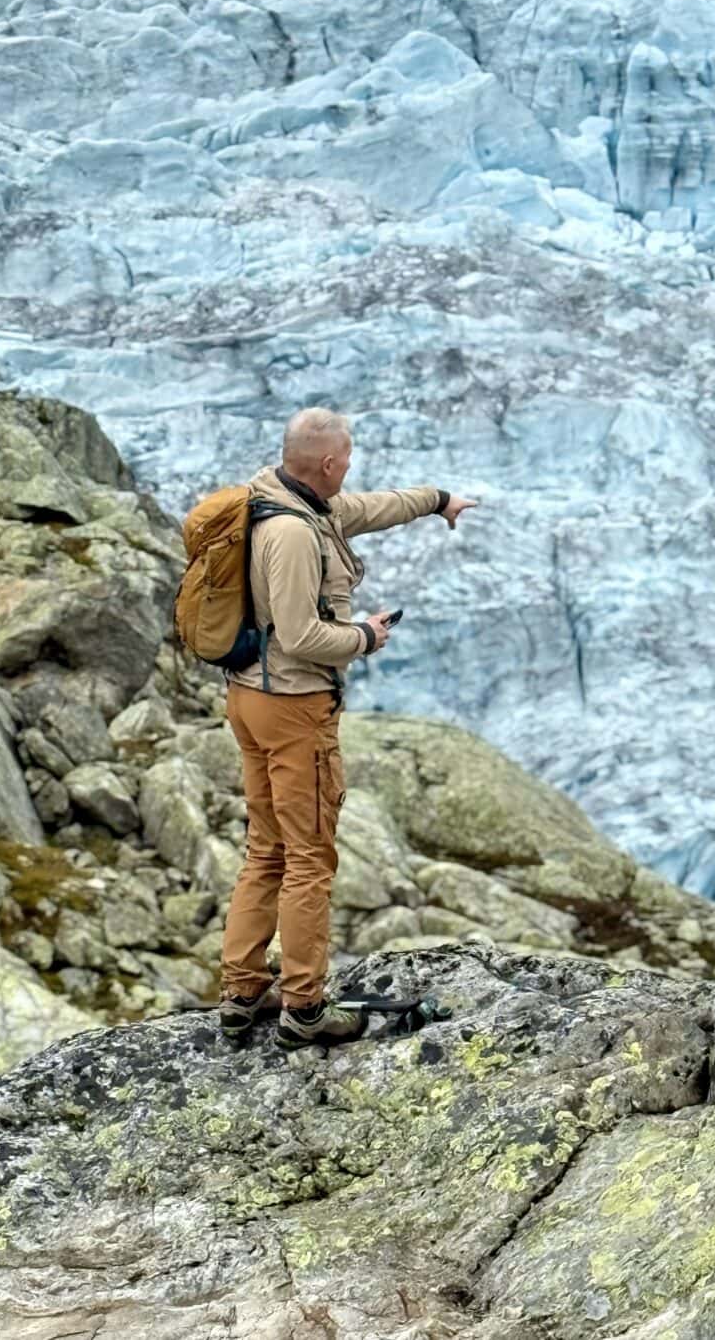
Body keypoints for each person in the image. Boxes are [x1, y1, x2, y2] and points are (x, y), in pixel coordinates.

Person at [217, 407, 478, 1049]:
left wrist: (437, 501)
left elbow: (371, 508)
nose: (352, 465)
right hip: (293, 707)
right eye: (349, 457)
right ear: (330, 463)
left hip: (249, 696)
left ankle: (241, 989)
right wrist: (365, 635)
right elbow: (304, 636)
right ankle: (304, 1009)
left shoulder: (277, 498)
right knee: (309, 856)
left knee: (267, 847)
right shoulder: (296, 536)